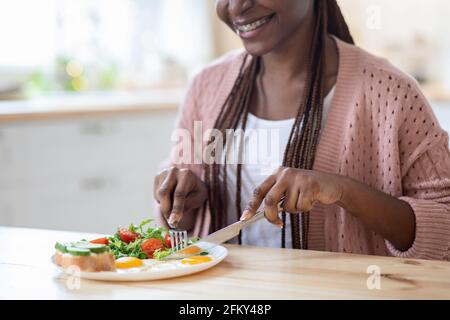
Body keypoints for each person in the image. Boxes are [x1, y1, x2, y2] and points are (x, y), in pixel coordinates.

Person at [154, 0, 450, 260]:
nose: (236, 6)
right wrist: (180, 202)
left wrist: (340, 190)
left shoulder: (391, 92)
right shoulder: (206, 85)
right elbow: (178, 226)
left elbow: (445, 227)